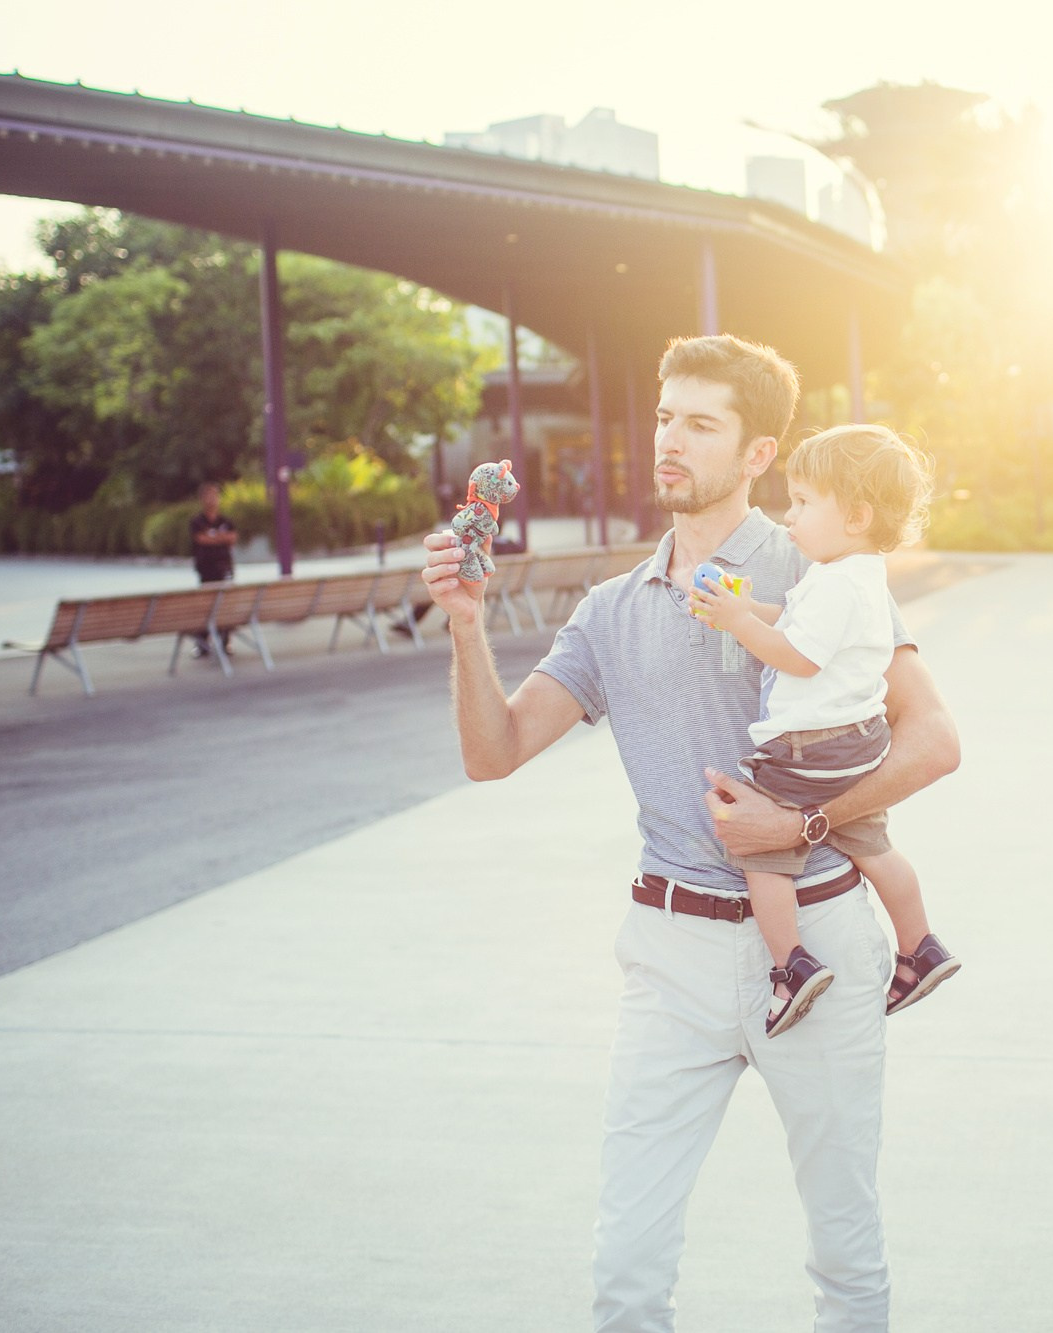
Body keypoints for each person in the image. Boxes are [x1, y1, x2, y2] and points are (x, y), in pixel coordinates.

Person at [419, 333, 959, 1333]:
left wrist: (801, 818)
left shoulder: (825, 564)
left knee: (845, 1250)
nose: (669, 439)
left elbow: (933, 742)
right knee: (625, 1268)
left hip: (816, 944)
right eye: (665, 416)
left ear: (759, 453)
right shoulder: (608, 610)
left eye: (700, 424)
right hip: (668, 955)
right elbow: (491, 753)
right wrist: (464, 624)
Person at [690, 424, 958, 1037]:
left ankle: (790, 966)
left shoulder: (836, 582)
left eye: (805, 503)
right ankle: (920, 946)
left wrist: (735, 623)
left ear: (858, 515)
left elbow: (797, 656)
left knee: (758, 847)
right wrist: (746, 607)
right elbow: (789, 620)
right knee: (872, 847)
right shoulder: (853, 575)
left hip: (810, 748)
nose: (790, 517)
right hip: (855, 745)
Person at [189, 482, 237, 657]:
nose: (213, 499)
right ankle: (202, 643)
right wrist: (220, 538)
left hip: (224, 568)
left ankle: (225, 642)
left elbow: (232, 538)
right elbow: (201, 539)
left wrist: (214, 536)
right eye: (209, 495)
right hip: (206, 569)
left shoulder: (225, 520)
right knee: (206, 606)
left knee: (225, 605)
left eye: (215, 495)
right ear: (202, 499)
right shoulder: (197, 521)